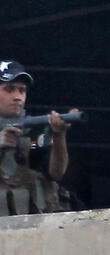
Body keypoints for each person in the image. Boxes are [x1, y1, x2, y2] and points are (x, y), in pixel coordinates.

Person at [0, 59, 77, 215]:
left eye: (22, 90)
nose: (17, 96)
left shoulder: (32, 129)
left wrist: (59, 135)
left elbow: (56, 173)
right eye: (9, 89)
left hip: (34, 228)